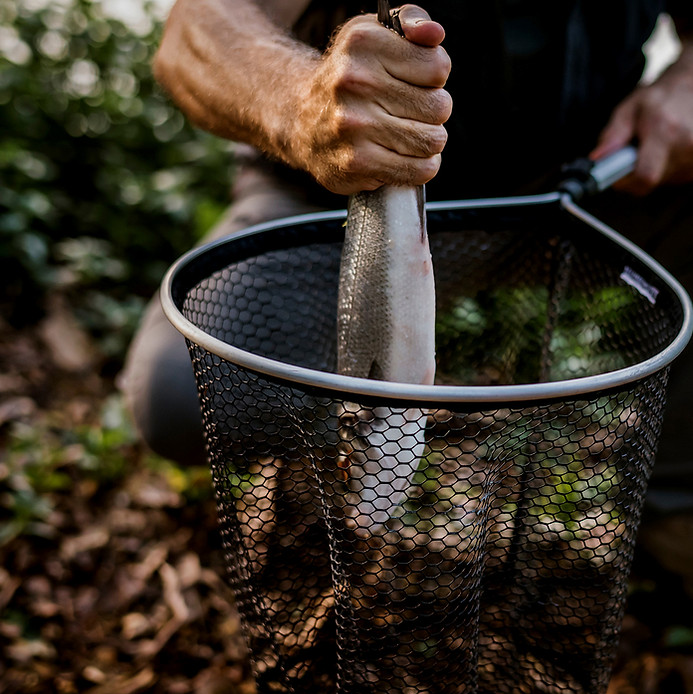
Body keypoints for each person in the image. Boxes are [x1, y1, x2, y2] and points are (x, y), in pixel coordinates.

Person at [121, 1, 693, 495]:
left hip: (595, 176)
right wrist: (305, 105)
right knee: (181, 395)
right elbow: (190, 32)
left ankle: (672, 499)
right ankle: (316, 464)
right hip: (334, 196)